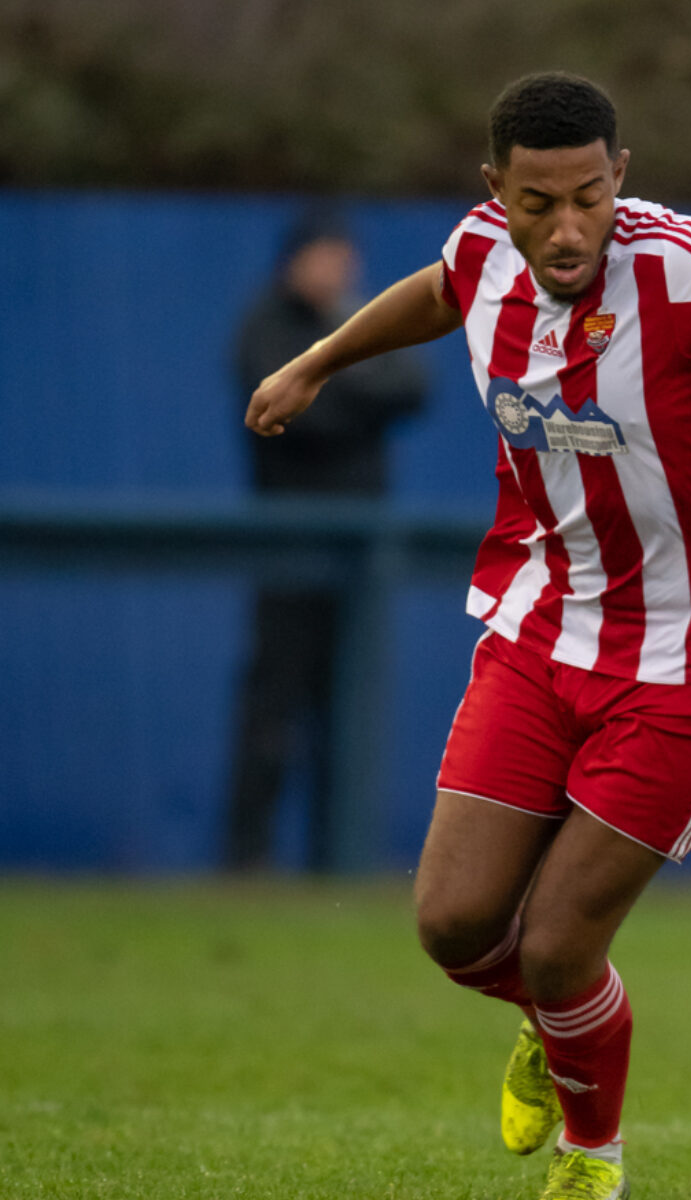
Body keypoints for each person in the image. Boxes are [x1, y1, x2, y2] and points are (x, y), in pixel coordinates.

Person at [245, 72, 691, 1200]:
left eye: (590, 194)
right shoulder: (485, 249)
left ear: (618, 177)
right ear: (499, 191)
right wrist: (318, 359)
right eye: (540, 202)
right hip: (541, 634)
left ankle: (593, 1156)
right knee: (451, 922)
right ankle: (558, 1027)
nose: (568, 225)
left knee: (555, 945)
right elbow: (441, 291)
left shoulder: (689, 268)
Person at [225, 206, 428, 871]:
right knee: (272, 710)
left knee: (345, 714)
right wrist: (337, 385)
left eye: (345, 256)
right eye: (326, 256)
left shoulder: (359, 321)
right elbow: (295, 416)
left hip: (359, 558)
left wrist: (330, 376)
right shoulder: (266, 324)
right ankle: (246, 860)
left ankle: (332, 865)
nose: (339, 270)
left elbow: (412, 387)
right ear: (296, 260)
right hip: (291, 547)